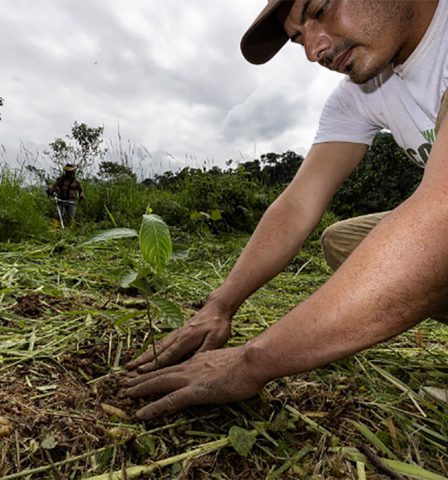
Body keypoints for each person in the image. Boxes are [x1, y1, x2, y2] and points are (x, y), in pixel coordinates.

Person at [118, 0, 448, 420]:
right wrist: (220, 305)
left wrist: (253, 361)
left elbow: (441, 217)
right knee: (345, 241)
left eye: (320, 9)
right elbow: (297, 204)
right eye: (298, 38)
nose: (314, 51)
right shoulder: (362, 91)